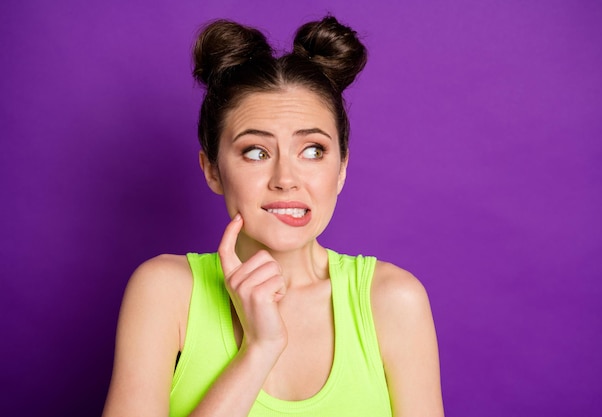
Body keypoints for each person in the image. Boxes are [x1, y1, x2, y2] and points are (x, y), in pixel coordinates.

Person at [102, 15, 444, 417]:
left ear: (342, 168)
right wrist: (259, 350)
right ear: (212, 169)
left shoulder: (393, 301)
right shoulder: (165, 292)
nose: (286, 179)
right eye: (256, 152)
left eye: (313, 150)